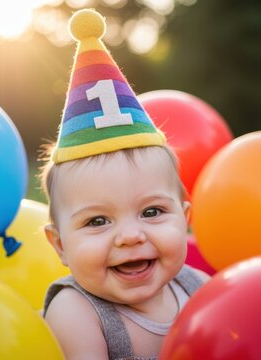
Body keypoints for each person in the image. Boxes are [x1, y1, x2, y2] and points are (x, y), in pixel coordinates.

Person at [40, 9, 209, 360]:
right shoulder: (76, 313)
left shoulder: (200, 290)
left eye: (152, 211)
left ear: (185, 217)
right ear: (60, 246)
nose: (131, 236)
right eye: (97, 221)